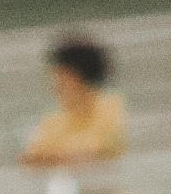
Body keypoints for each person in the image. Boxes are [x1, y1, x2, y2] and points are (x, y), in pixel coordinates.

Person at [21, 36, 126, 169]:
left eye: (60, 78)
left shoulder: (112, 109)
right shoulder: (52, 122)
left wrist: (51, 158)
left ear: (76, 78)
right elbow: (30, 159)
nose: (54, 87)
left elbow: (95, 152)